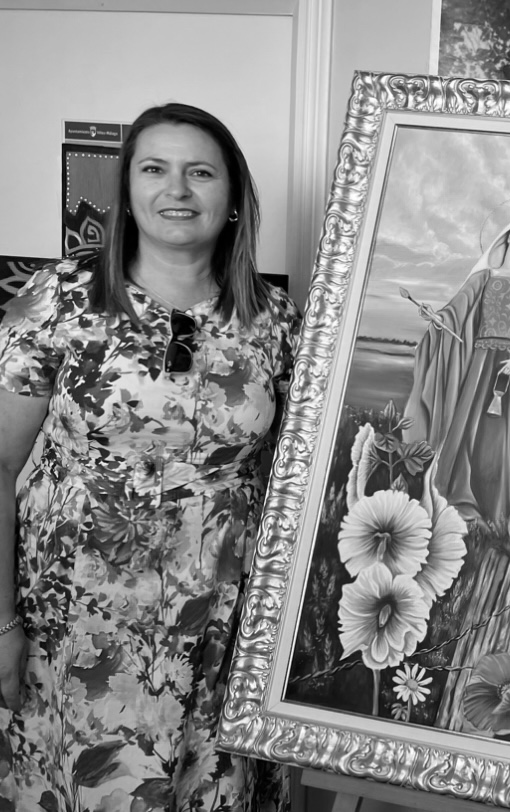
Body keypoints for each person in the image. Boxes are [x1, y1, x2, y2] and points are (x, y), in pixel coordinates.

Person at [0, 103, 300, 811]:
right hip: (73, 626)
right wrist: (0, 623)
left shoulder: (278, 322)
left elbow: (299, 481)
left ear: (233, 198)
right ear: (128, 191)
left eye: (201, 173)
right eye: (155, 169)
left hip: (222, 630)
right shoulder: (60, 300)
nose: (177, 190)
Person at [403, 205, 510, 525]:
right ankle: (464, 504)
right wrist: (436, 318)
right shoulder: (483, 279)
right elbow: (455, 315)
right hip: (480, 371)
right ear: (509, 237)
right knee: (470, 436)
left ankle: (509, 508)